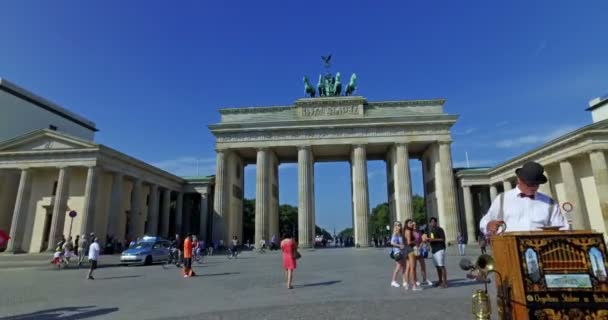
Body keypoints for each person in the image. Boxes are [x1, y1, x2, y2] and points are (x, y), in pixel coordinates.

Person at [480, 161, 567, 235]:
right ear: (519, 180)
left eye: (536, 184)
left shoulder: (550, 203)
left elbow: (562, 227)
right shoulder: (502, 199)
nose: (533, 187)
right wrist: (488, 225)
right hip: (509, 249)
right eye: (529, 184)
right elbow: (485, 221)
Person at [428, 217, 448, 288]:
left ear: (436, 222)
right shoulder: (431, 230)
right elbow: (431, 239)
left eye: (434, 221)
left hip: (440, 249)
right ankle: (440, 281)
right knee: (437, 266)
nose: (432, 223)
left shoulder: (440, 229)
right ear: (430, 223)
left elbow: (443, 239)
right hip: (434, 250)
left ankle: (445, 283)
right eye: (431, 222)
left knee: (441, 266)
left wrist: (433, 240)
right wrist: (428, 240)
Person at [412, 222, 433, 286]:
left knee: (423, 265)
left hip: (419, 249)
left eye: (416, 224)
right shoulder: (410, 233)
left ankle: (425, 278)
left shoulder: (419, 232)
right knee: (414, 266)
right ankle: (415, 280)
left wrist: (420, 247)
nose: (415, 226)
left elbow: (422, 241)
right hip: (413, 250)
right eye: (413, 225)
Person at [404, 219, 422, 291]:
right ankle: (414, 285)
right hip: (411, 250)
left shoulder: (406, 231)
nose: (411, 224)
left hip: (407, 250)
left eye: (412, 223)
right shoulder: (408, 231)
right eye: (410, 223)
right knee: (413, 268)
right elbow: (409, 242)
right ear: (407, 224)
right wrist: (416, 241)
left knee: (408, 268)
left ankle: (407, 284)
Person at [389, 221, 407, 288]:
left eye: (400, 225)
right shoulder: (395, 234)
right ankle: (393, 281)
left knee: (404, 267)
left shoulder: (400, 234)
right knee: (398, 267)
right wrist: (399, 245)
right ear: (395, 226)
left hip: (403, 252)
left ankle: (404, 281)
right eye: (398, 225)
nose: (400, 226)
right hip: (397, 252)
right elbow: (392, 243)